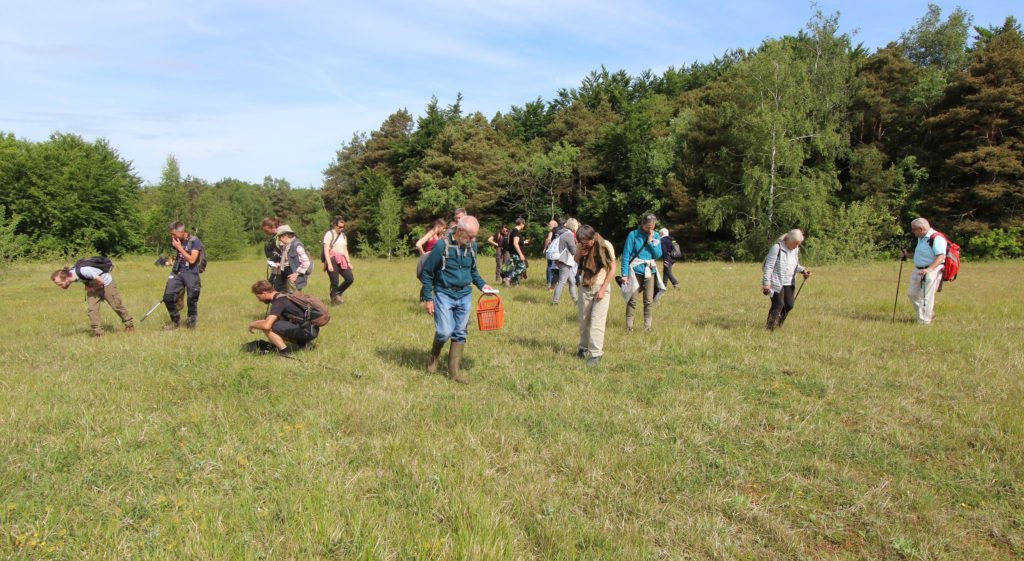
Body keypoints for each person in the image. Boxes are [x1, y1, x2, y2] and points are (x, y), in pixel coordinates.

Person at [420, 215, 495, 384]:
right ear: (460, 231)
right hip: (444, 294)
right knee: (444, 332)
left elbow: (473, 272)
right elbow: (427, 272)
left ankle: (454, 372)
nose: (474, 240)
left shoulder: (472, 246)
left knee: (460, 332)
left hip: (464, 295)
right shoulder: (442, 246)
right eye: (470, 236)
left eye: (475, 236)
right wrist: (427, 298)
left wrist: (483, 286)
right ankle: (434, 356)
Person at [51, 257, 134, 337]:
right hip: (94, 284)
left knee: (116, 306)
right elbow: (84, 279)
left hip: (106, 283)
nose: (60, 287)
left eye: (60, 284)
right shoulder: (72, 275)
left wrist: (93, 288)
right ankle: (98, 333)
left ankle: (129, 325)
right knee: (92, 309)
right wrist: (88, 285)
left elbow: (100, 281)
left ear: (66, 278)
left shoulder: (83, 271)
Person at [574, 225, 616, 366]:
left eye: (587, 242)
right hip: (585, 286)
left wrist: (603, 289)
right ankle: (584, 348)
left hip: (600, 286)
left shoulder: (605, 245)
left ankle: (596, 355)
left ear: (593, 237)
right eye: (582, 242)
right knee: (584, 321)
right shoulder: (581, 244)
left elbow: (613, 268)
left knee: (597, 323)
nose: (586, 244)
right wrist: (581, 253)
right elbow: (575, 260)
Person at [248, 280, 319, 357]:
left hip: (307, 331)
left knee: (270, 326)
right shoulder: (284, 295)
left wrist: (252, 324)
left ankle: (285, 353)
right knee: (275, 323)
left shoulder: (279, 302)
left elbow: (266, 325)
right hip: (311, 329)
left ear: (264, 293)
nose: (259, 300)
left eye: (258, 296)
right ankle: (304, 344)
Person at [620, 213, 664, 332]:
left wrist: (650, 241)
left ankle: (647, 327)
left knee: (648, 301)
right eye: (648, 226)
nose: (650, 229)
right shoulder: (633, 235)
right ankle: (629, 327)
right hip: (634, 271)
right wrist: (624, 274)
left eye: (652, 226)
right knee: (632, 299)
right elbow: (626, 255)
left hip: (650, 271)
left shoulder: (655, 235)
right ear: (642, 224)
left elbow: (658, 255)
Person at [761, 229, 811, 330]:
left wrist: (803, 270)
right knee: (778, 304)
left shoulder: (795, 250)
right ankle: (770, 328)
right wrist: (766, 283)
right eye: (795, 243)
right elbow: (768, 266)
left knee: (789, 305)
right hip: (775, 282)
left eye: (798, 244)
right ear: (787, 239)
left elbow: (793, 265)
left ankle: (778, 324)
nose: (796, 246)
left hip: (789, 282)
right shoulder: (777, 248)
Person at [163, 222, 204, 330]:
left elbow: (192, 260)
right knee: (167, 297)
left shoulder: (195, 241)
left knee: (192, 299)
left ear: (181, 232)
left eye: (174, 234)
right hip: (177, 272)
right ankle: (175, 320)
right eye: (171, 235)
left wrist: (179, 247)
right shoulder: (178, 240)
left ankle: (191, 324)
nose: (173, 237)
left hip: (191, 273)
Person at [907, 217, 946, 325]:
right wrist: (907, 255)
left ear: (920, 229)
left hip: (931, 271)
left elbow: (941, 256)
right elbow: (922, 254)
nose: (912, 231)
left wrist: (929, 269)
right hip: (918, 270)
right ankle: (928, 313)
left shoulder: (936, 238)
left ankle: (924, 322)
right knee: (912, 293)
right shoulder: (921, 238)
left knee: (926, 296)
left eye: (913, 229)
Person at [322, 216, 354, 305]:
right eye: (339, 227)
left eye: (343, 227)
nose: (341, 229)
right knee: (335, 281)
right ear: (334, 225)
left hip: (342, 259)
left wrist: (348, 262)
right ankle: (334, 302)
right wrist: (329, 264)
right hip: (332, 259)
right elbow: (326, 250)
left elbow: (345, 250)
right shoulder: (329, 234)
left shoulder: (343, 236)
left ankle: (336, 293)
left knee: (350, 278)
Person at [275, 225, 311, 293]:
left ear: (285, 235)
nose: (279, 239)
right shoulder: (287, 245)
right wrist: (280, 264)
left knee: (294, 299)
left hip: (293, 279)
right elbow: (289, 261)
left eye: (280, 237)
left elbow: (306, 262)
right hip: (286, 276)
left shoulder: (296, 245)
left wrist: (297, 274)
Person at [551, 217, 579, 305]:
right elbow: (573, 251)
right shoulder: (569, 234)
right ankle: (555, 302)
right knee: (562, 282)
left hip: (561, 260)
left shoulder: (561, 232)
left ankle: (575, 300)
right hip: (565, 261)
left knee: (572, 281)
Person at [502, 217, 528, 287]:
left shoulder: (514, 231)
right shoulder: (516, 232)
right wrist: (521, 254)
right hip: (516, 254)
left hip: (515, 253)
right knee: (521, 267)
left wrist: (523, 242)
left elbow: (517, 242)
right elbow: (515, 243)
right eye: (524, 224)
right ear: (521, 224)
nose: (524, 225)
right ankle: (508, 278)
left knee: (517, 268)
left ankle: (516, 284)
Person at [261, 217, 283, 288]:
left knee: (277, 288)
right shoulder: (275, 237)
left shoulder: (283, 236)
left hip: (286, 268)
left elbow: (288, 253)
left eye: (266, 231)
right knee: (272, 285)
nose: (265, 233)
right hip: (278, 267)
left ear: (273, 227)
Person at [542, 219, 559, 291]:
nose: (548, 226)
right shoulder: (561, 231)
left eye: (550, 224)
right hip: (559, 253)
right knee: (557, 267)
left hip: (552, 252)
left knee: (550, 266)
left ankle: (549, 282)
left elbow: (548, 239)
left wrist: (545, 248)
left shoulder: (552, 231)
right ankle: (556, 282)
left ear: (554, 225)